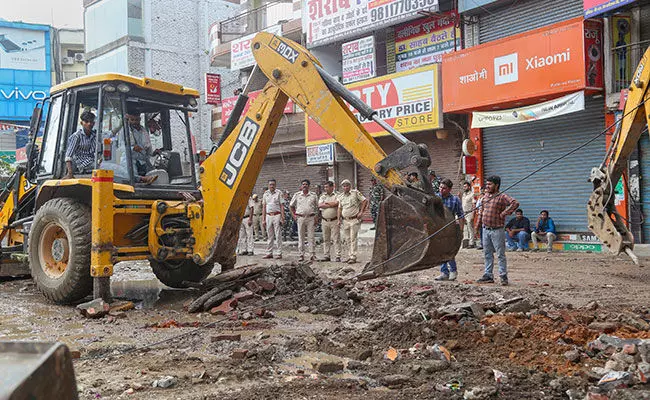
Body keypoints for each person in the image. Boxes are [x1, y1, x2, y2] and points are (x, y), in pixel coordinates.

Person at [476, 176, 519, 286]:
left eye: (490, 184)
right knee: (487, 253)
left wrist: (505, 213)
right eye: (487, 184)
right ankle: (488, 275)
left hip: (497, 230)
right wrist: (477, 225)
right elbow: (481, 211)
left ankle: (503, 275)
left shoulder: (502, 196)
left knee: (500, 254)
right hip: (486, 229)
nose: (487, 186)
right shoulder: (485, 197)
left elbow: (515, 203)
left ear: (497, 185)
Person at [435, 179, 465, 281]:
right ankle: (444, 272)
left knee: (449, 251)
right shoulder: (435, 198)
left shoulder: (455, 200)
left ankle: (453, 270)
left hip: (450, 229)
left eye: (444, 188)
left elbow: (460, 215)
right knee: (440, 251)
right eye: (440, 187)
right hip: (437, 228)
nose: (441, 190)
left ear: (450, 189)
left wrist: (461, 231)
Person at [337, 179, 368, 264]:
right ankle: (349, 255)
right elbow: (340, 208)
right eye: (344, 186)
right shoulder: (341, 196)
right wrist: (338, 219)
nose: (345, 187)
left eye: (347, 185)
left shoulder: (355, 193)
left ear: (350, 186)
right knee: (347, 239)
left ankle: (353, 256)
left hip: (354, 219)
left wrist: (361, 211)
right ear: (342, 187)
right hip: (345, 220)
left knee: (353, 238)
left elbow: (365, 200)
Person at [290, 179, 319, 262]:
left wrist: (316, 217)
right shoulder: (297, 195)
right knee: (301, 237)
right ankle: (301, 255)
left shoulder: (313, 195)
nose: (304, 185)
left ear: (309, 186)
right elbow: (291, 206)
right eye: (303, 184)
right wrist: (294, 216)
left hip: (311, 218)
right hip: (300, 218)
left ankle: (312, 255)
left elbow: (317, 207)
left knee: (311, 237)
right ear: (301, 186)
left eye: (306, 184)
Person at [65, 111, 97, 179]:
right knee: (107, 167)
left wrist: (122, 122)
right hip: (84, 165)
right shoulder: (77, 136)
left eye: (91, 122)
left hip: (93, 161)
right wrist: (70, 173)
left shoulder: (94, 135)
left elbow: (110, 134)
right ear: (81, 123)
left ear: (94, 123)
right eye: (86, 122)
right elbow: (68, 156)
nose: (89, 124)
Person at [319, 180, 341, 262]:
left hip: (334, 220)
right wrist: (331, 204)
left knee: (336, 238)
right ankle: (326, 255)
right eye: (324, 187)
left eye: (327, 187)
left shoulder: (337, 195)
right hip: (324, 221)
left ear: (332, 187)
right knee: (326, 239)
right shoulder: (322, 196)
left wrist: (326, 204)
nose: (325, 189)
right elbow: (320, 205)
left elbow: (337, 203)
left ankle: (338, 256)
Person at [262, 179, 284, 259]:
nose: (272, 186)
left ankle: (279, 253)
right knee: (269, 235)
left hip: (277, 215)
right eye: (270, 184)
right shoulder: (265, 194)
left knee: (278, 235)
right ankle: (269, 253)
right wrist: (263, 219)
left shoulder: (279, 193)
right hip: (268, 216)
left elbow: (282, 206)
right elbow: (264, 207)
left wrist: (282, 217)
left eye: (273, 184)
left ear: (275, 185)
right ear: (268, 185)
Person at [461, 181, 476, 248]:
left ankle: (472, 243)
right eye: (463, 186)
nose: (464, 188)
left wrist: (473, 214)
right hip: (463, 213)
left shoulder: (472, 194)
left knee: (470, 228)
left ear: (469, 187)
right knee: (465, 229)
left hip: (469, 212)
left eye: (465, 186)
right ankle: (466, 242)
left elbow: (474, 204)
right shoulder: (463, 194)